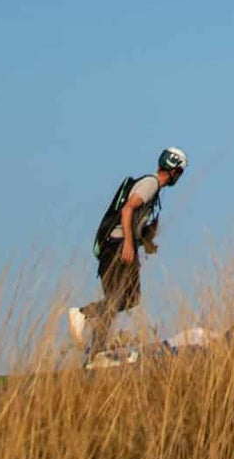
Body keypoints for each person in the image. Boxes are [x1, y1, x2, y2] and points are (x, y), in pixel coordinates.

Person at [68, 147, 187, 359]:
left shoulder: (152, 189)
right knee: (127, 298)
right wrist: (129, 244)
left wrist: (146, 241)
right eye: (180, 172)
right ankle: (82, 314)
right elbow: (127, 209)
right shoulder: (151, 184)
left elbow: (134, 219)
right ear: (173, 170)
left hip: (114, 247)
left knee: (117, 302)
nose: (180, 177)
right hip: (119, 247)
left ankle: (95, 355)